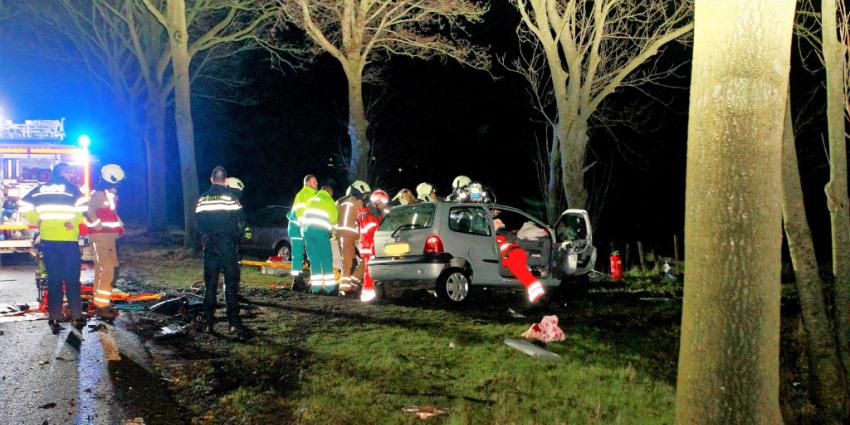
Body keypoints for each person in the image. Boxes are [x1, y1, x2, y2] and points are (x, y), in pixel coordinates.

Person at [19, 163, 85, 332]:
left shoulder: (41, 189)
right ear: (63, 173)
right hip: (68, 241)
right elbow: (84, 208)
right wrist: (75, 221)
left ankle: (54, 318)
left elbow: (23, 205)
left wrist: (37, 219)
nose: (71, 174)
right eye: (69, 172)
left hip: (48, 240)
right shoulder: (73, 189)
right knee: (72, 281)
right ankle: (77, 317)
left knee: (54, 281)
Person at [195, 166, 247, 338]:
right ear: (225, 180)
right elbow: (241, 222)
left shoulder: (202, 199)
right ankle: (233, 324)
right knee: (231, 285)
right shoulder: (231, 198)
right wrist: (235, 238)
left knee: (210, 286)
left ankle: (208, 323)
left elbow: (198, 224)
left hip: (210, 247)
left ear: (211, 179)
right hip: (227, 246)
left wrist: (206, 238)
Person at [85, 164, 126, 320]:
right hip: (100, 237)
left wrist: (119, 225)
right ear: (112, 179)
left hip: (109, 237)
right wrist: (98, 225)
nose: (120, 184)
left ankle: (101, 301)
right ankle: (102, 306)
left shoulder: (109, 195)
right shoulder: (98, 195)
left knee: (107, 269)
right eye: (118, 181)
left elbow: (112, 214)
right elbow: (89, 211)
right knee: (106, 269)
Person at [492, 210, 545, 303]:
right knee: (518, 267)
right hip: (510, 254)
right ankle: (536, 293)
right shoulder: (494, 234)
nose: (497, 223)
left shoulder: (504, 233)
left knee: (518, 266)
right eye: (495, 222)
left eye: (497, 222)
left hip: (513, 253)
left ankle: (536, 294)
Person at [301, 185, 338, 294]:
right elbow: (334, 219)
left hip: (306, 232)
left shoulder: (311, 199)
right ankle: (329, 288)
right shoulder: (328, 200)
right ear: (330, 193)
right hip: (319, 231)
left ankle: (315, 287)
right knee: (326, 259)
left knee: (314, 260)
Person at [337, 180, 369, 294]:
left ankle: (347, 286)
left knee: (347, 262)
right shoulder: (358, 202)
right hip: (350, 235)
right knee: (349, 263)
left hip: (341, 235)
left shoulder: (342, 202)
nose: (365, 196)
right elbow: (362, 219)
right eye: (365, 193)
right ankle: (346, 287)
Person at [358, 189, 389, 302]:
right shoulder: (370, 215)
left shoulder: (373, 213)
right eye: (383, 203)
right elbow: (374, 232)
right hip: (369, 247)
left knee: (372, 272)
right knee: (369, 273)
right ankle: (368, 296)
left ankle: (375, 294)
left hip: (370, 246)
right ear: (377, 202)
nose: (385, 206)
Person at [288, 175, 318, 289]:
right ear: (307, 183)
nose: (316, 183)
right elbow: (300, 212)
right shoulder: (304, 194)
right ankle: (297, 282)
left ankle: (297, 282)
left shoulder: (309, 194)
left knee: (298, 255)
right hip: (297, 229)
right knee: (297, 256)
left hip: (298, 228)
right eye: (314, 181)